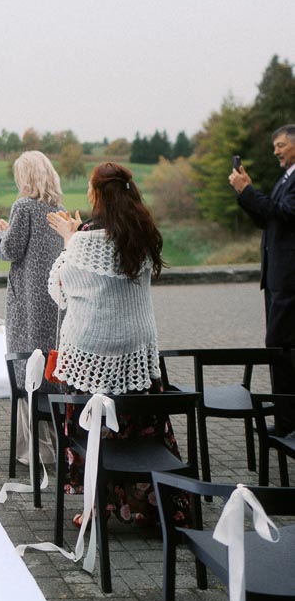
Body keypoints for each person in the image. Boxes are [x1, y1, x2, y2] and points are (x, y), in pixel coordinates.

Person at [46, 162, 187, 528]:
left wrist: (68, 238)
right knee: (141, 426)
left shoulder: (85, 239)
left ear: (95, 193)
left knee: (94, 431)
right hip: (137, 344)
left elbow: (62, 291)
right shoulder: (142, 229)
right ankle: (155, 507)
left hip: (92, 347)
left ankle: (97, 507)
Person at [0, 149, 64, 462]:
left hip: (27, 300)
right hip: (52, 298)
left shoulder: (23, 206)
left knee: (26, 365)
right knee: (49, 365)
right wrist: (7, 230)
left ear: (26, 176)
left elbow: (11, 250)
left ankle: (34, 450)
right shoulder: (56, 205)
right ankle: (56, 441)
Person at [230, 124, 295, 429]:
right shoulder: (287, 177)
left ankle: (286, 421)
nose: (275, 151)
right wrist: (245, 195)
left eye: (280, 145)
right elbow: (268, 218)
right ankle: (285, 415)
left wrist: (249, 191)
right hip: (277, 279)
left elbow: (285, 213)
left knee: (280, 346)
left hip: (289, 281)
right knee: (279, 347)